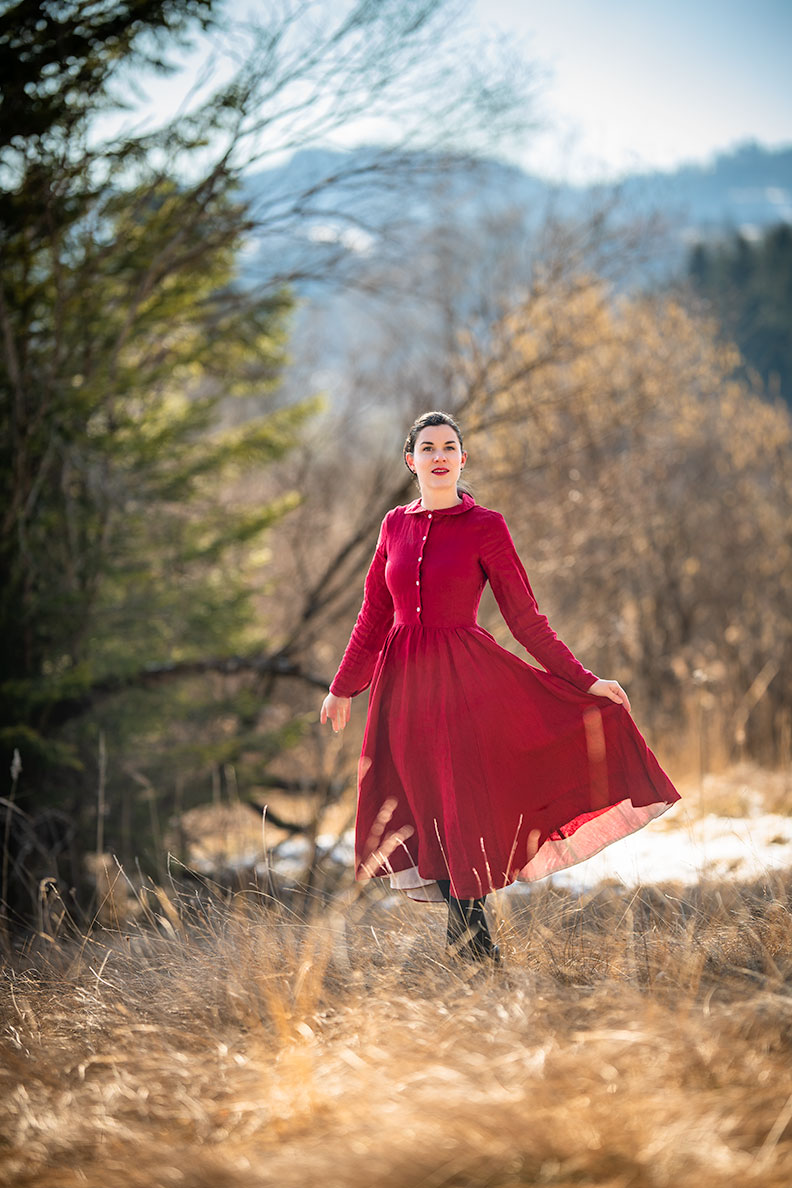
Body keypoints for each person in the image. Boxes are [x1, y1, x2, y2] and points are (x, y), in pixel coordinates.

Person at [321, 410, 680, 963]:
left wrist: (585, 682)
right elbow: (373, 616)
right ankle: (473, 945)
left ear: (462, 459)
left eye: (449, 447)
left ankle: (473, 947)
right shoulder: (393, 525)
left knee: (460, 810)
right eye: (427, 448)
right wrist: (344, 687)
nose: (438, 456)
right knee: (424, 814)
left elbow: (526, 619)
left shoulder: (486, 526)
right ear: (410, 460)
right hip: (401, 693)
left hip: (467, 686)